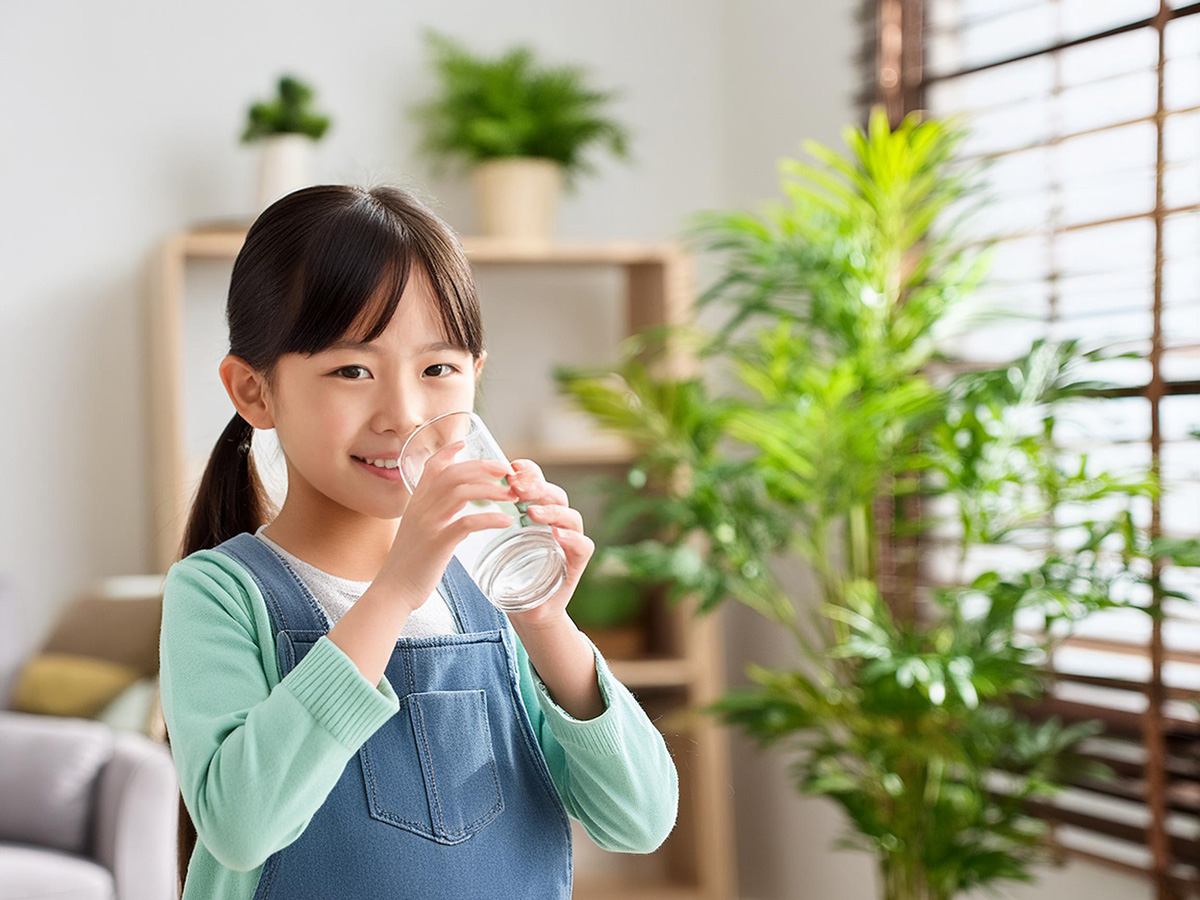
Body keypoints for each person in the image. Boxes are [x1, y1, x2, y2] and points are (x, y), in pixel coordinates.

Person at [158, 184, 679, 900]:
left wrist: (546, 622)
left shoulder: (490, 591)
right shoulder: (219, 593)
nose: (402, 414)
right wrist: (397, 588)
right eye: (351, 371)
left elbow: (641, 819)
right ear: (255, 392)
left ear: (476, 381)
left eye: (438, 370)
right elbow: (241, 825)